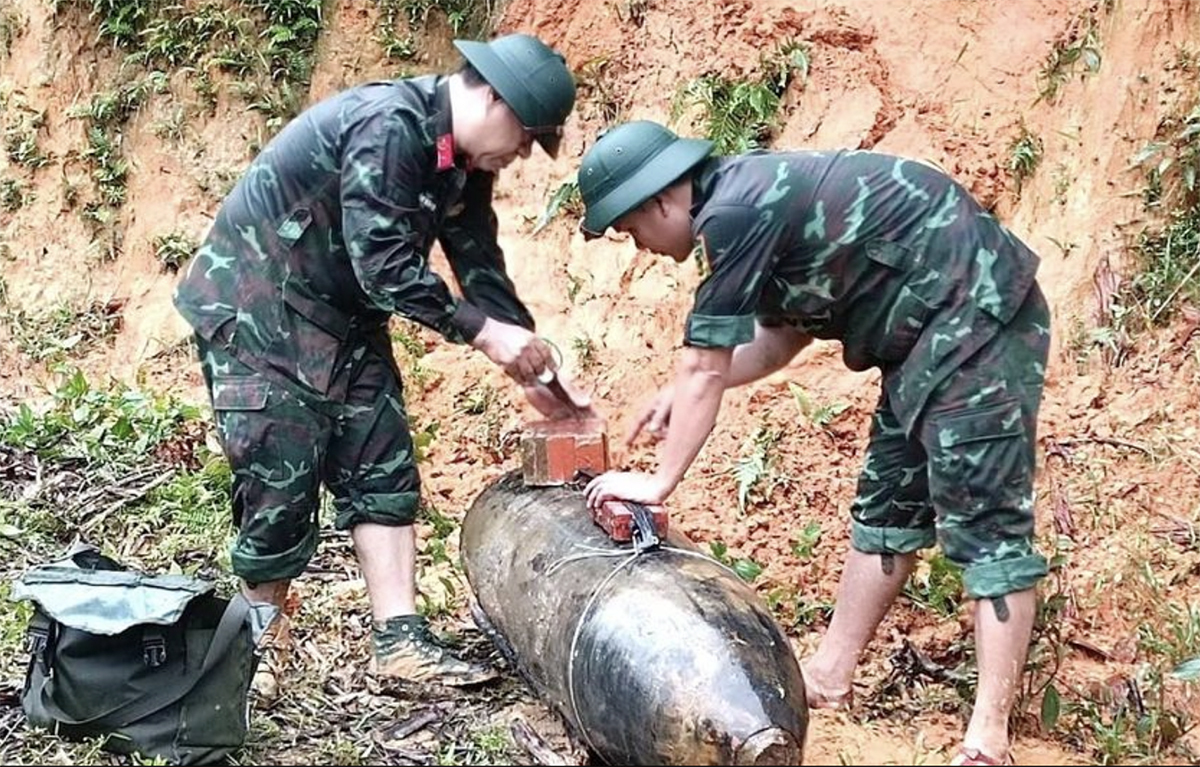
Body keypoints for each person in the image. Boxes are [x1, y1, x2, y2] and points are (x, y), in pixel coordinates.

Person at [577, 120, 1049, 766]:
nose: (639, 246)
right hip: (920, 342)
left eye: (631, 229)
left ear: (663, 201)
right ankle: (829, 673)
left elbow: (707, 365)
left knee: (986, 526)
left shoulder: (735, 212)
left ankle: (988, 738)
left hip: (978, 316)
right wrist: (677, 393)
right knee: (886, 506)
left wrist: (658, 481)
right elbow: (776, 341)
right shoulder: (748, 204)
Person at [172, 32, 592, 687]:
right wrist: (485, 335)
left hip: (341, 313)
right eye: (525, 137)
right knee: (282, 484)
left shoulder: (460, 158)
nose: (519, 155)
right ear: (492, 100)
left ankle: (400, 642)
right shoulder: (389, 127)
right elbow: (386, 267)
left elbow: (476, 256)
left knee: (383, 460)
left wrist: (529, 360)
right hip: (262, 309)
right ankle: (251, 649)